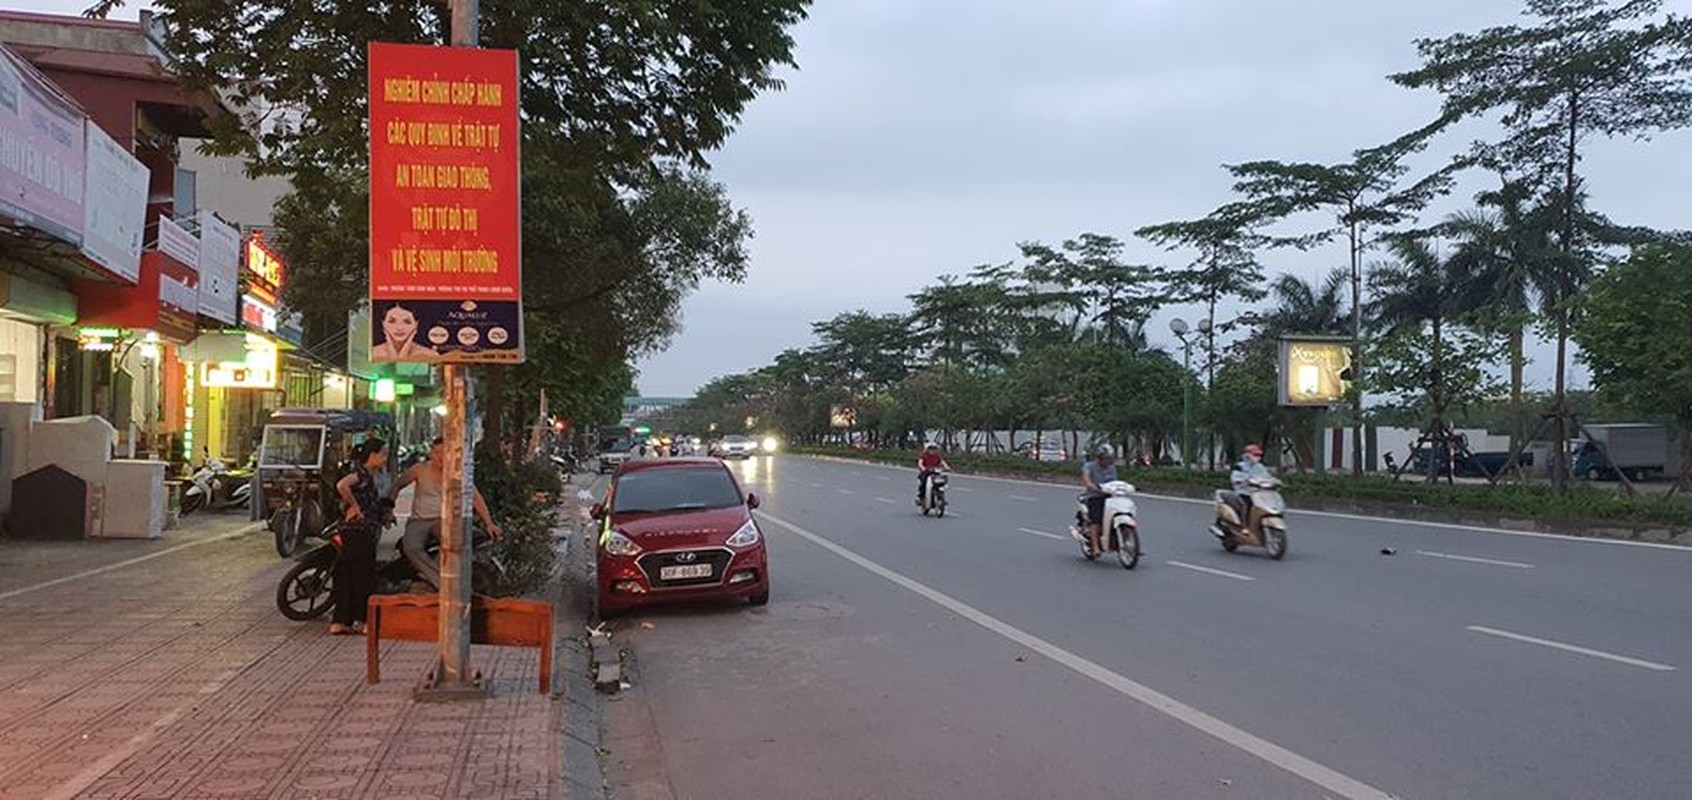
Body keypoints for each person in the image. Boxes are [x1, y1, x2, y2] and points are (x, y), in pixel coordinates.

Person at [385, 436, 502, 590]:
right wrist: (389, 510)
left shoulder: (457, 473)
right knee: (411, 547)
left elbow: (475, 497)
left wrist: (489, 523)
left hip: (444, 519)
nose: (440, 456)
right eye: (437, 452)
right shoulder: (420, 469)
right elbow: (396, 486)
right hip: (419, 520)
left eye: (444, 452)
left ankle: (437, 579)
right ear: (431, 453)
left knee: (455, 541)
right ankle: (441, 582)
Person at [329, 438, 388, 635]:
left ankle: (341, 621)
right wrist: (354, 506)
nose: (385, 459)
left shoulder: (370, 476)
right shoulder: (360, 474)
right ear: (372, 455)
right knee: (363, 576)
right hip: (358, 532)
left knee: (347, 575)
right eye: (383, 454)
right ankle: (363, 621)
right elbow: (342, 485)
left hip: (356, 531)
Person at [1080, 444, 1118, 556]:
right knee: (1096, 520)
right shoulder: (1089, 466)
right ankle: (1096, 547)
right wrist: (1091, 485)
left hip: (1109, 497)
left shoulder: (1112, 468)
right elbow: (1086, 479)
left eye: (1110, 458)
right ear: (1100, 458)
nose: (1108, 461)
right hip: (1094, 497)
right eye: (1106, 458)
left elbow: (1115, 482)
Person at [371, 303, 439, 361]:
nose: (399, 328)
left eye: (407, 322)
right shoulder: (372, 353)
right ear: (383, 323)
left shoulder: (430, 355)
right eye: (392, 321)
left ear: (416, 324)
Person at [1229, 443, 1272, 515]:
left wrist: (1272, 482)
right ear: (1247, 455)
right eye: (1255, 455)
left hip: (1258, 493)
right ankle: (1244, 523)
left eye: (1259, 455)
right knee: (1247, 505)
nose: (1257, 457)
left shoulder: (1260, 467)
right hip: (1244, 492)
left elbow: (1267, 477)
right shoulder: (1240, 466)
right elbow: (1235, 478)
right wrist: (1243, 481)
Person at [916, 441, 951, 506]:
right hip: (926, 473)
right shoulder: (924, 455)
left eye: (934, 449)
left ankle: (941, 497)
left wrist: (946, 467)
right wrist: (923, 468)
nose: (932, 450)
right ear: (927, 449)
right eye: (930, 449)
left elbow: (942, 462)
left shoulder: (937, 455)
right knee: (923, 483)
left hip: (935, 473)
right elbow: (920, 462)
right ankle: (920, 497)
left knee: (941, 482)